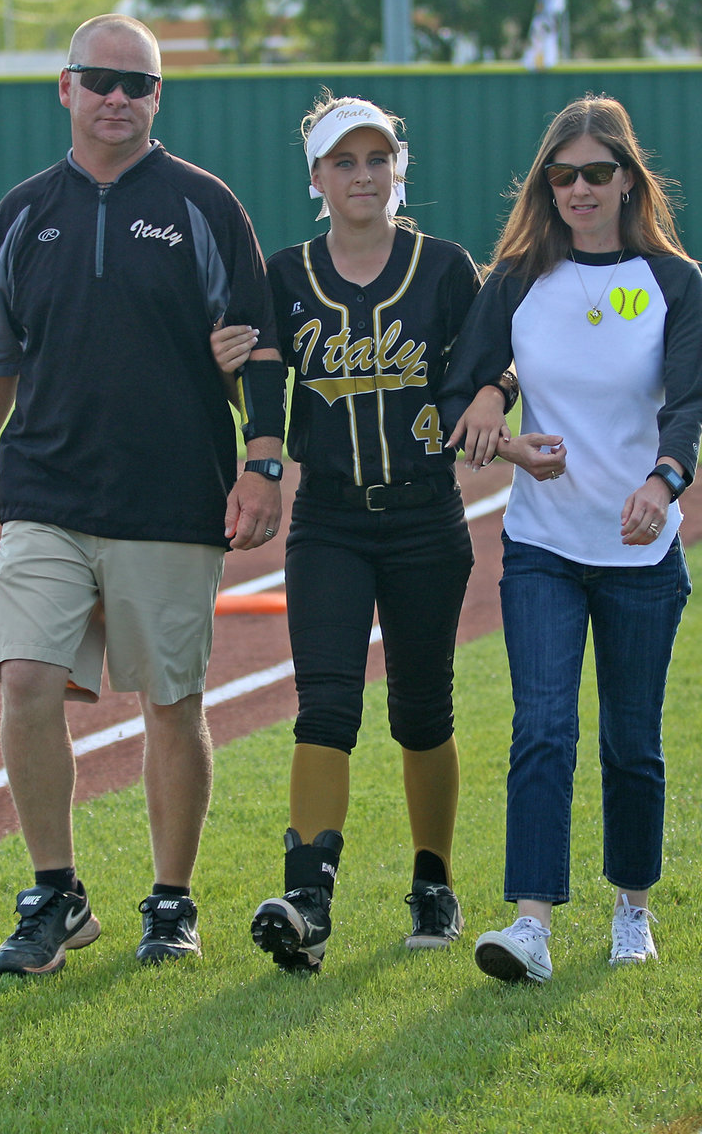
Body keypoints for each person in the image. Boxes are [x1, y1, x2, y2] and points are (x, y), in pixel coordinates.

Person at [0, 14, 285, 976]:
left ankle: (170, 902)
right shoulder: (23, 212)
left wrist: (262, 463)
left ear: (157, 99)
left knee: (172, 702)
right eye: (100, 79)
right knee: (24, 679)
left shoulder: (203, 205)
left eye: (138, 85)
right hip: (46, 488)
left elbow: (255, 348)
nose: (117, 98)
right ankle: (55, 894)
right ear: (64, 86)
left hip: (171, 493)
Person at [211, 94, 507, 972]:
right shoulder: (285, 275)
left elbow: (491, 361)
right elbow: (263, 387)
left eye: (377, 159)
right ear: (317, 177)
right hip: (331, 519)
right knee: (326, 708)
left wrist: (497, 390)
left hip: (424, 517)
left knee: (421, 713)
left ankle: (434, 881)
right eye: (344, 161)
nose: (363, 175)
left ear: (397, 169)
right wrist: (240, 397)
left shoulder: (447, 267)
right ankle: (308, 899)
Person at [439, 93, 702, 983]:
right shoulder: (516, 279)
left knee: (631, 741)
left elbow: (688, 401)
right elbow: (459, 393)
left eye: (600, 173)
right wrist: (495, 412)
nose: (583, 189)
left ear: (629, 179)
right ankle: (532, 926)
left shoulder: (674, 281)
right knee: (542, 730)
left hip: (641, 551)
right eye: (567, 176)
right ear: (546, 186)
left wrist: (661, 481)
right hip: (543, 548)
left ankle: (633, 906)